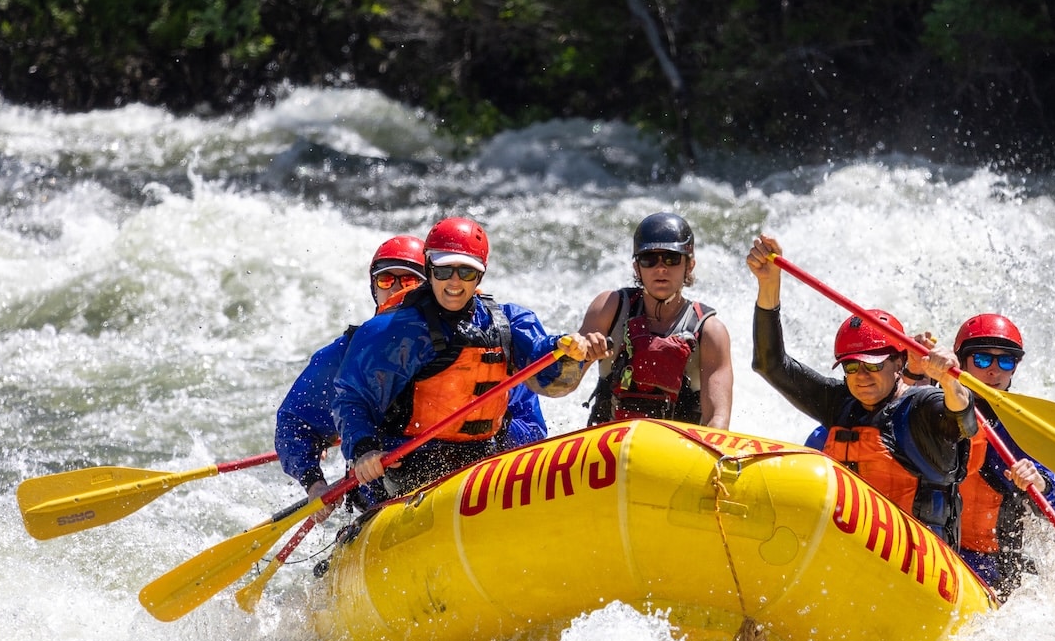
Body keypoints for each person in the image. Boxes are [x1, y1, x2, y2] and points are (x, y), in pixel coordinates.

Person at [274, 235, 549, 515]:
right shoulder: (346, 353)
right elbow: (295, 420)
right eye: (385, 280)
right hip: (390, 491)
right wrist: (314, 483)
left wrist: (474, 438)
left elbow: (532, 428)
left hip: (477, 475)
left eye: (407, 281)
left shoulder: (487, 345)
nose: (395, 288)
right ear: (373, 287)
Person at [332, 216, 599, 499]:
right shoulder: (393, 330)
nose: (454, 283)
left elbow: (547, 372)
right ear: (430, 268)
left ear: (480, 276)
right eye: (445, 271)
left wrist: (570, 352)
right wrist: (364, 450)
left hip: (481, 461)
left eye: (466, 273)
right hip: (408, 466)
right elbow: (352, 396)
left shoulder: (509, 323)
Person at [745, 234, 977, 546]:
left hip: (920, 559)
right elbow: (770, 364)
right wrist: (769, 284)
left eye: (873, 365)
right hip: (849, 555)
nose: (861, 376)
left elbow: (964, 421)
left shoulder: (923, 406)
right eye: (851, 367)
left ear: (898, 363)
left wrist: (950, 381)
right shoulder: (840, 403)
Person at [950, 313, 1055, 601]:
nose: (994, 371)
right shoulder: (930, 404)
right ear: (961, 361)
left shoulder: (1022, 430)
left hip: (990, 567)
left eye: (1005, 361)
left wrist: (1041, 482)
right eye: (982, 360)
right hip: (929, 546)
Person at [578, 212, 732, 428]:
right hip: (608, 448)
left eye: (671, 258)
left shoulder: (709, 331)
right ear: (637, 268)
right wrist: (577, 355)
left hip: (678, 453)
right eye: (649, 259)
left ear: (689, 266)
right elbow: (560, 386)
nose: (661, 268)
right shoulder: (608, 308)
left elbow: (718, 420)